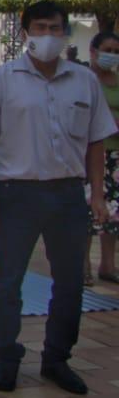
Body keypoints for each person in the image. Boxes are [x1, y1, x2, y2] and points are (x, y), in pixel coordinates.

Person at [0, 0, 118, 395]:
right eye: (39, 28)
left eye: (54, 28)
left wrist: (97, 194)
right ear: (26, 31)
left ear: (65, 33)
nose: (47, 36)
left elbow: (96, 143)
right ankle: (6, 357)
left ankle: (56, 358)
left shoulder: (84, 82)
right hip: (17, 194)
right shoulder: (1, 81)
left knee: (69, 283)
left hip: (68, 195)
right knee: (8, 280)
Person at [84, 32, 119, 285]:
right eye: (107, 49)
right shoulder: (83, 80)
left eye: (116, 51)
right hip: (90, 154)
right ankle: (82, 264)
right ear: (93, 51)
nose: (112, 55)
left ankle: (108, 264)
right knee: (87, 209)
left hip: (117, 156)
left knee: (114, 212)